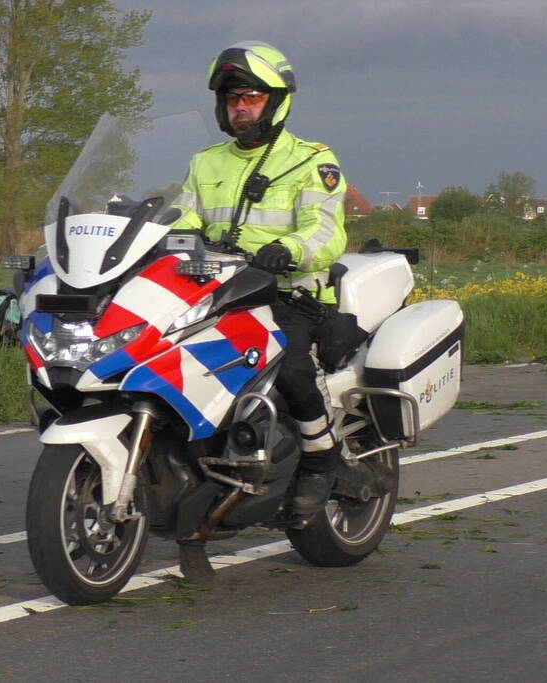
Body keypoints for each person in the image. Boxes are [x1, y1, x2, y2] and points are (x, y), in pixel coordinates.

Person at [170, 41, 348, 577]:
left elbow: (325, 229)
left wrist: (288, 250)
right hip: (222, 290)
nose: (239, 108)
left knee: (286, 359)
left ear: (274, 102)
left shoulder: (312, 160)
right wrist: (171, 237)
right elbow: (184, 214)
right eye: (232, 101)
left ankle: (320, 455)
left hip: (291, 293)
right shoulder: (207, 162)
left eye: (249, 97)